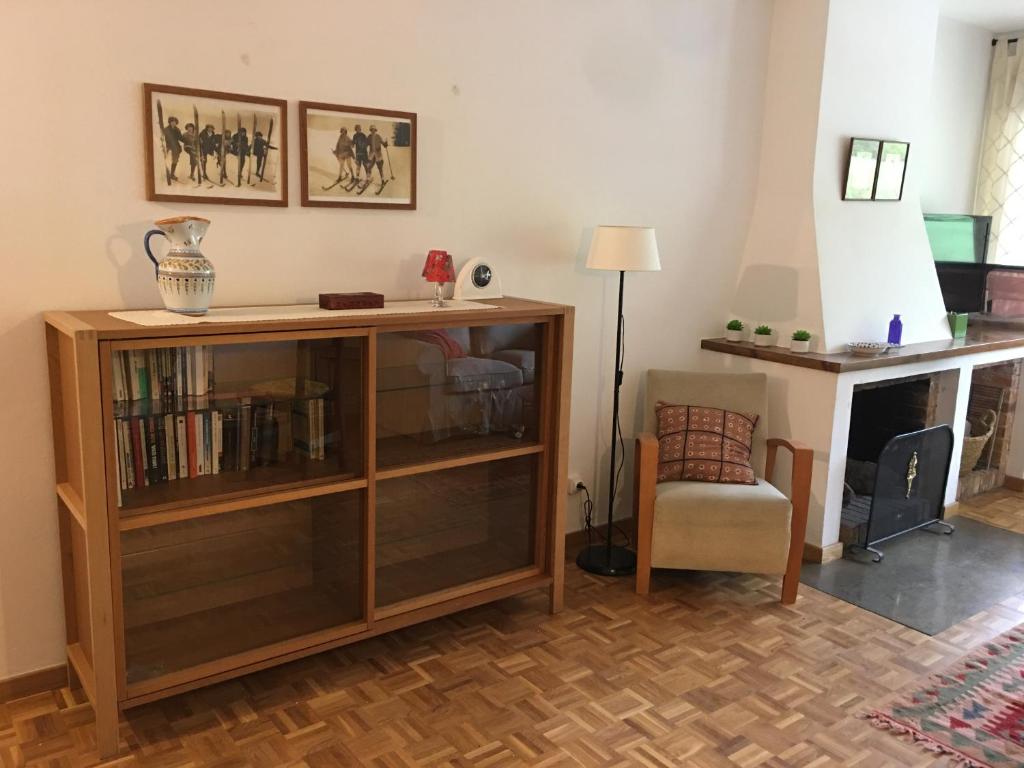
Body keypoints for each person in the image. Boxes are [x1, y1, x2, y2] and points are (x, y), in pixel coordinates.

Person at [163, 116, 183, 181]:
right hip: (167, 146)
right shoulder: (166, 129)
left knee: (175, 160)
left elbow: (180, 138)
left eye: (174, 122)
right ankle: (164, 172)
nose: (173, 123)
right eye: (172, 122)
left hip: (175, 146)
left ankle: (172, 174)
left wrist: (186, 141)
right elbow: (162, 138)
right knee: (164, 158)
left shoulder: (177, 130)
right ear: (170, 122)